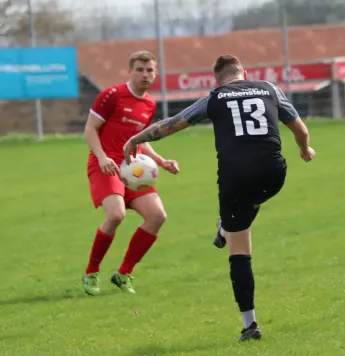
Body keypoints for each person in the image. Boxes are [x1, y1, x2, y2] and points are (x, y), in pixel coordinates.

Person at [122, 54, 315, 342]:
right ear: (244, 73)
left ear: (217, 79)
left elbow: (172, 124)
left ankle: (250, 325)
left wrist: (135, 139)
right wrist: (304, 149)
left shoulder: (215, 97)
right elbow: (301, 129)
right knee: (255, 198)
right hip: (273, 172)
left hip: (235, 178)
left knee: (239, 250)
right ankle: (227, 225)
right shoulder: (269, 89)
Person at [82, 50, 179, 296]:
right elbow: (90, 130)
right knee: (116, 215)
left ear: (155, 74)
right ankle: (91, 272)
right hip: (105, 165)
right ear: (130, 71)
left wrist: (161, 160)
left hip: (133, 169)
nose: (145, 74)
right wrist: (103, 158)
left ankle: (123, 273)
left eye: (149, 71)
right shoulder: (112, 95)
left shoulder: (148, 104)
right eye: (140, 70)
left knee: (157, 216)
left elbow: (140, 140)